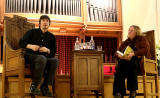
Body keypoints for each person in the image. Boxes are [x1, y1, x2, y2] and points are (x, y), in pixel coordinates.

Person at [19, 15, 58, 97]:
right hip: (30, 56)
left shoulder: (52, 37)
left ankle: (45, 86)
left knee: (55, 61)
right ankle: (34, 86)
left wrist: (47, 50)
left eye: (47, 21)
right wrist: (31, 46)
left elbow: (53, 52)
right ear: (39, 23)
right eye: (43, 20)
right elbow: (21, 43)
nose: (45, 22)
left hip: (44, 58)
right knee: (42, 58)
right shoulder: (31, 32)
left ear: (49, 24)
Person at [113, 25, 151, 98]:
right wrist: (119, 55)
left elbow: (145, 50)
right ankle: (123, 92)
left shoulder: (142, 39)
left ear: (137, 32)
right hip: (125, 65)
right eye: (129, 30)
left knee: (131, 63)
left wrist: (134, 54)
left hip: (139, 64)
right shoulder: (125, 42)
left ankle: (121, 92)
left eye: (131, 30)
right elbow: (116, 52)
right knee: (119, 67)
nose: (129, 32)